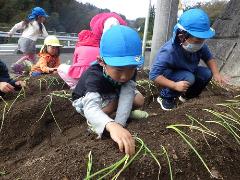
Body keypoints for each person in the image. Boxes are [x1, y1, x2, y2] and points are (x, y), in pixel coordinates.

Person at [72, 25, 148, 155]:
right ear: (101, 61)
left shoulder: (129, 71)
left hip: (112, 93)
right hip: (86, 101)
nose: (125, 76)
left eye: (131, 68)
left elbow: (127, 94)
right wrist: (112, 127)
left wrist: (120, 125)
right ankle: (95, 123)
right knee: (107, 107)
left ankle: (118, 114)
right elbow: (91, 107)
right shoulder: (94, 75)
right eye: (119, 70)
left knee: (139, 99)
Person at [149, 8, 228, 111]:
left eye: (203, 39)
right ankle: (166, 97)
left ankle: (186, 97)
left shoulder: (200, 46)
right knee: (189, 77)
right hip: (170, 75)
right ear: (182, 36)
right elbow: (154, 74)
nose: (200, 43)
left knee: (207, 74)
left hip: (187, 71)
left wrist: (217, 74)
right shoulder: (169, 51)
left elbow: (209, 58)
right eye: (197, 40)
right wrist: (174, 85)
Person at [57, 12, 127, 89]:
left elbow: (75, 63)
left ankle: (75, 86)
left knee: (60, 67)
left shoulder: (79, 47)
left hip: (82, 76)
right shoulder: (101, 47)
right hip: (98, 77)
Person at [8, 7, 49, 76]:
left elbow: (16, 26)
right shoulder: (40, 25)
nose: (44, 19)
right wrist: (50, 42)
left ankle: (27, 70)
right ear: (39, 17)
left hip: (21, 40)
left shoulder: (27, 21)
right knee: (29, 57)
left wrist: (11, 33)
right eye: (43, 17)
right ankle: (16, 65)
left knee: (32, 58)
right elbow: (46, 36)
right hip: (29, 42)